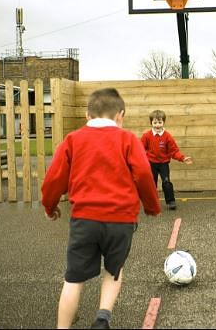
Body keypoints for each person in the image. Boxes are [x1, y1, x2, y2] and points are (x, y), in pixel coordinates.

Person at [41, 87, 161, 329]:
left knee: (73, 279)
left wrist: (50, 205)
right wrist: (150, 205)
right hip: (121, 220)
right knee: (114, 270)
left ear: (87, 115)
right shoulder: (127, 139)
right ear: (120, 116)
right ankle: (102, 316)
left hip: (84, 219)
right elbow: (144, 174)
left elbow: (54, 178)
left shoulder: (73, 140)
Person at [141, 109, 193, 210]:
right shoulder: (146, 136)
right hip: (151, 164)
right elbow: (140, 149)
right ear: (151, 122)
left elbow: (174, 151)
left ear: (163, 122)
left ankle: (171, 201)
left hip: (163, 164)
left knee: (166, 182)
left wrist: (182, 158)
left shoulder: (167, 136)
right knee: (151, 184)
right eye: (155, 122)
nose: (157, 125)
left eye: (160, 122)